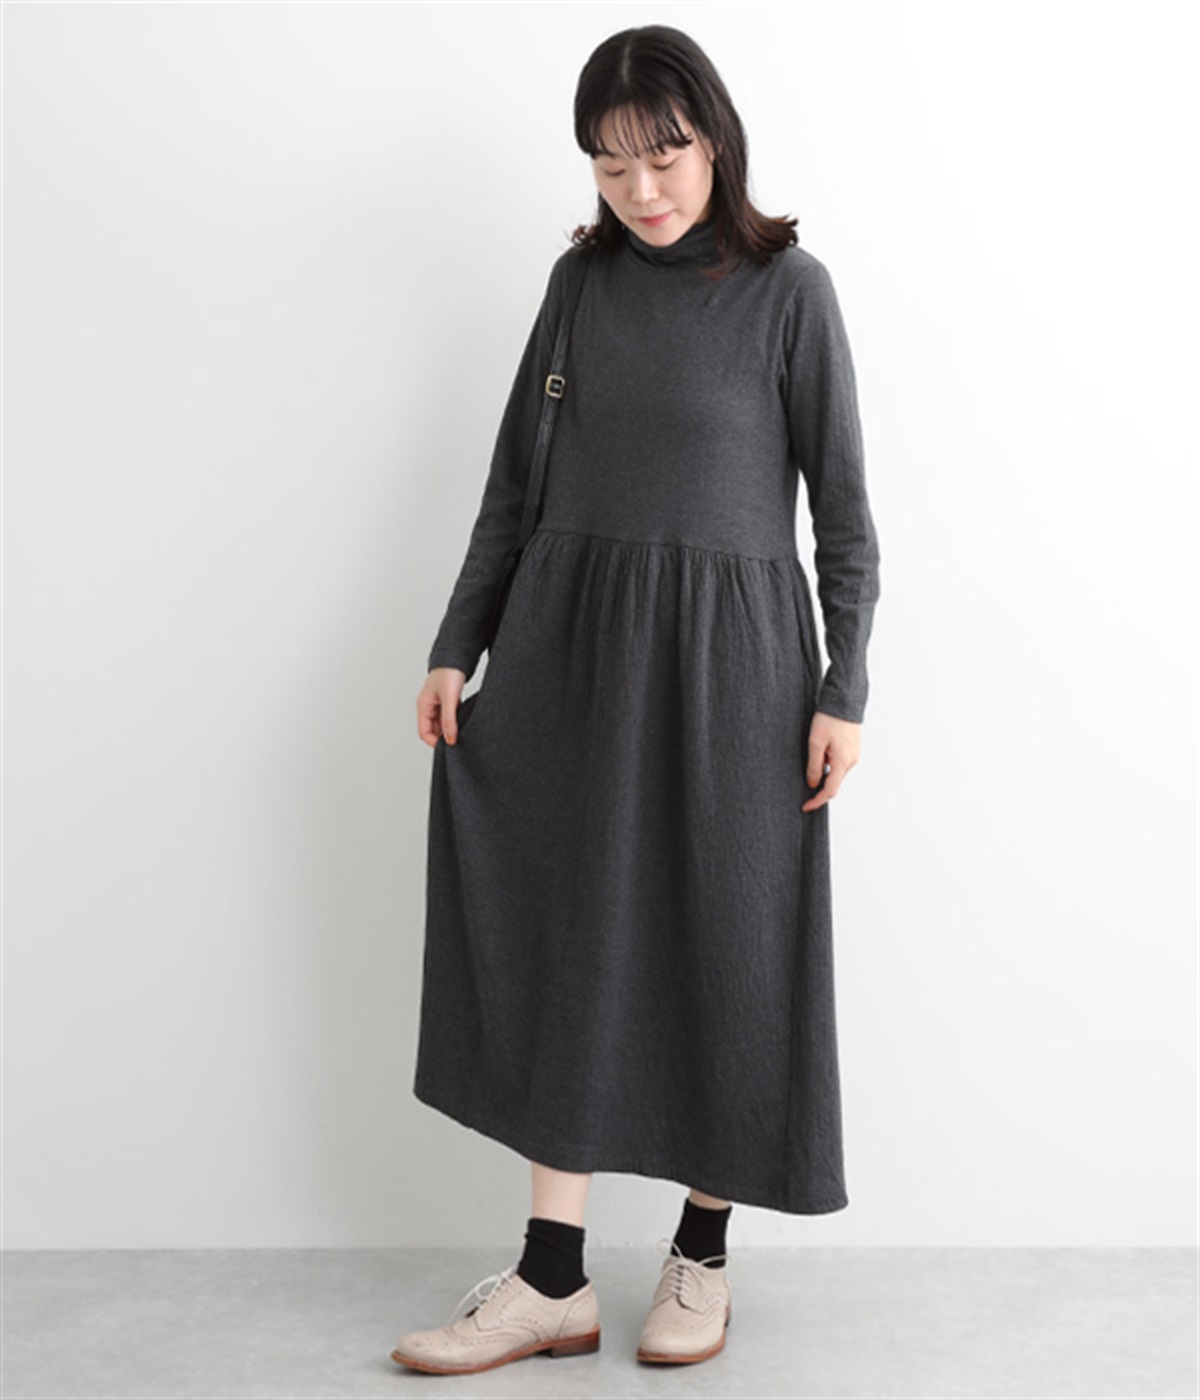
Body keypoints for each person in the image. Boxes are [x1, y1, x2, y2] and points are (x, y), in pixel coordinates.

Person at [393, 23, 881, 1377]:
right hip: (574, 655)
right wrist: (457, 643)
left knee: (729, 934)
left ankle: (701, 1253)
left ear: (712, 139)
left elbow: (845, 520)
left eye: (662, 156)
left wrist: (844, 686)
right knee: (575, 932)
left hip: (737, 667)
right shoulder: (579, 286)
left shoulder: (792, 292)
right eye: (611, 168)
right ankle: (552, 1277)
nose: (642, 189)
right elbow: (514, 487)